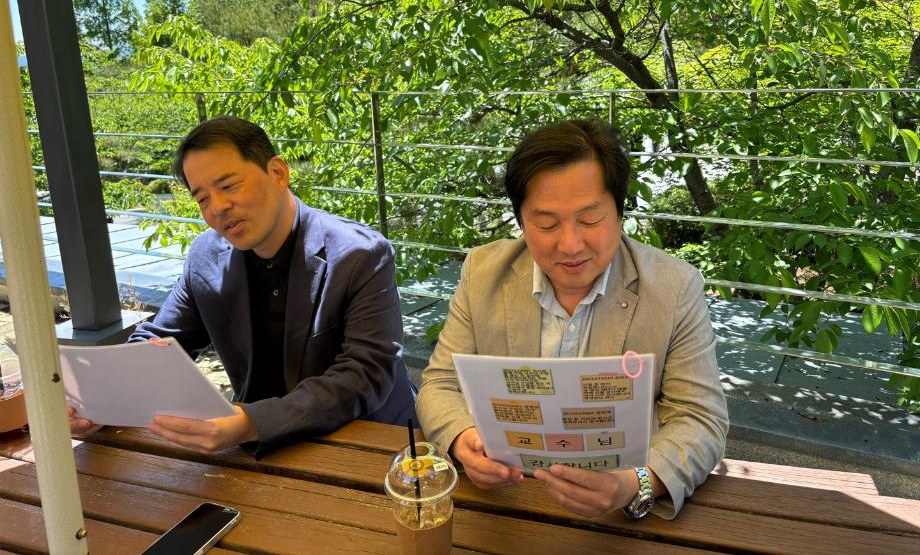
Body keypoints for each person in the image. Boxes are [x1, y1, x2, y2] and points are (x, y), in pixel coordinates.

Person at [416, 119, 728, 519]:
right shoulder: (483, 272)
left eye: (590, 220)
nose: (570, 245)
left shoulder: (674, 288)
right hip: (509, 500)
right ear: (521, 221)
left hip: (617, 513)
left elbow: (700, 418)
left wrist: (637, 482)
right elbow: (440, 383)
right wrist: (464, 441)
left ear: (619, 212)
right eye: (547, 224)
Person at [69, 116, 417, 457]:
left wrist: (251, 422)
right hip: (260, 449)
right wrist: (102, 400)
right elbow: (161, 341)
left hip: (368, 443)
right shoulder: (206, 257)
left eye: (229, 186)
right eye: (202, 198)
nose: (218, 207)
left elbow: (365, 373)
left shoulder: (360, 254)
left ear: (278, 173)